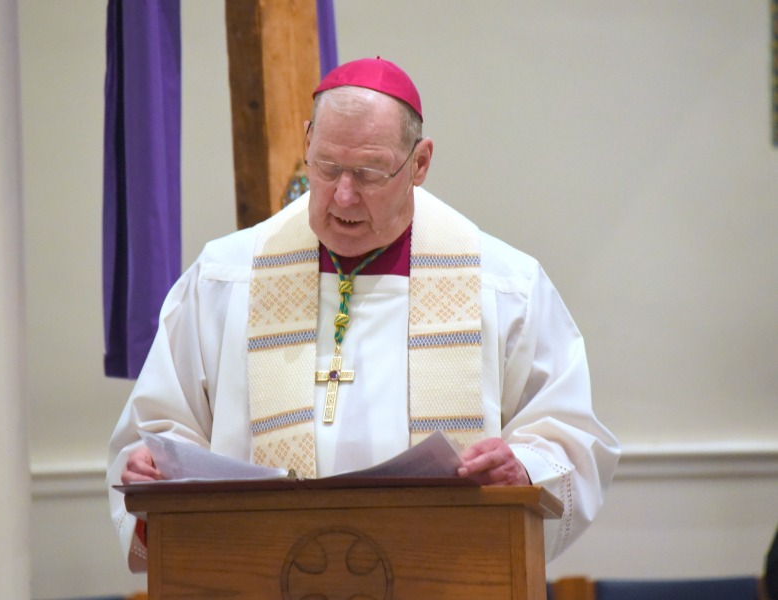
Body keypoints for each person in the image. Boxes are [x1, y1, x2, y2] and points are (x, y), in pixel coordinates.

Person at [108, 57, 620, 572]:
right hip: (258, 573)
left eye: (370, 173)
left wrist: (525, 471)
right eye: (327, 168)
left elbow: (570, 437)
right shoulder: (224, 279)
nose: (343, 195)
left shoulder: (505, 286)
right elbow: (161, 429)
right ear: (307, 141)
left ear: (419, 164)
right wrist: (153, 471)